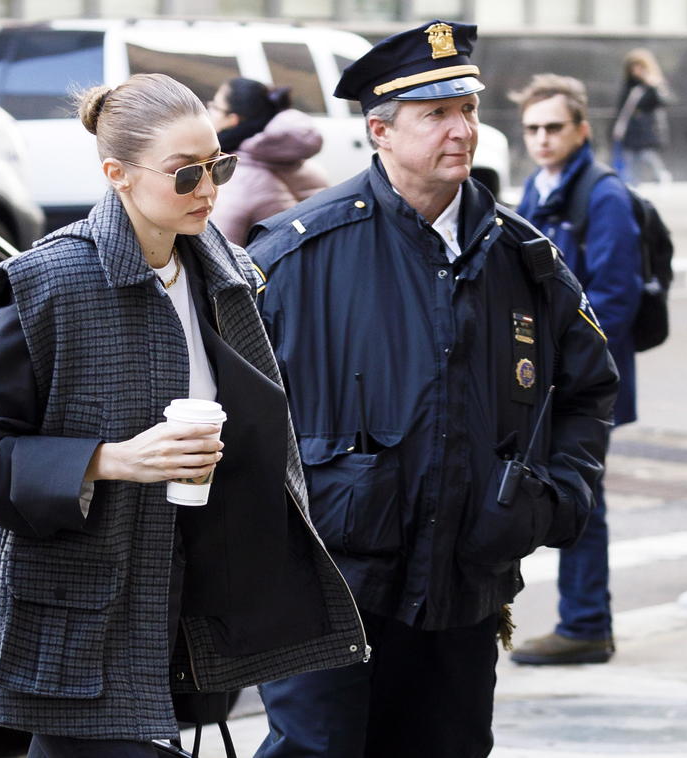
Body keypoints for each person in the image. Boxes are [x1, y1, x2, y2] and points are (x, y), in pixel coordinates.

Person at [0, 73, 367, 756]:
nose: (208, 189)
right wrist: (112, 460)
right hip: (84, 611)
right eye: (185, 173)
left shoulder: (227, 272)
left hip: (195, 597)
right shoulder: (49, 281)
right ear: (117, 174)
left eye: (218, 166)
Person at [247, 20, 620, 758]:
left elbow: (589, 389)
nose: (462, 130)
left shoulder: (525, 257)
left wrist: (554, 497)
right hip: (325, 588)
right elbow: (236, 412)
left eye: (468, 109)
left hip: (465, 583)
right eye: (437, 114)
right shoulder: (295, 253)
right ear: (380, 131)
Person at [508, 74, 641, 665]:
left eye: (554, 127)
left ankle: (586, 624)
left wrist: (565, 365)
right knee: (560, 490)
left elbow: (614, 298)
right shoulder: (539, 187)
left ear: (582, 130)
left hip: (585, 383)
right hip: (549, 378)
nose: (541, 138)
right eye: (532, 128)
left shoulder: (603, 195)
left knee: (583, 496)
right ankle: (583, 621)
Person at [207, 77, 328, 246]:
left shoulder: (239, 178)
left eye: (214, 106)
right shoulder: (306, 168)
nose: (209, 112)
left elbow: (218, 250)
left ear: (232, 119)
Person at [613, 48, 672, 184]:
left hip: (647, 129)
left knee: (647, 155)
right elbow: (623, 109)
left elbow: (664, 101)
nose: (636, 71)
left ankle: (661, 176)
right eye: (634, 67)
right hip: (631, 130)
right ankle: (632, 183)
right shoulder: (630, 86)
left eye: (640, 67)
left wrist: (653, 85)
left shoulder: (654, 84)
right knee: (630, 158)